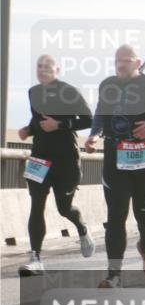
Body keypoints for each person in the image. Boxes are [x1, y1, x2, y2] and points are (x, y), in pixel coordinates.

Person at [85, 44, 145, 288]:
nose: (120, 65)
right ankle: (114, 274)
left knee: (144, 215)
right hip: (115, 154)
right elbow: (101, 114)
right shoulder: (108, 85)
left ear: (137, 63)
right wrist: (94, 135)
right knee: (116, 215)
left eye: (126, 61)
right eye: (117, 61)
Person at [17, 55, 94, 276]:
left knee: (64, 208)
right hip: (39, 157)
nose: (42, 70)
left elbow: (88, 120)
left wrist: (59, 124)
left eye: (47, 67)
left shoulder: (69, 92)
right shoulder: (33, 92)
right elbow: (37, 120)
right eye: (38, 66)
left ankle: (82, 228)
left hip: (65, 159)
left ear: (57, 70)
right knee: (37, 204)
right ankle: (35, 258)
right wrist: (28, 130)